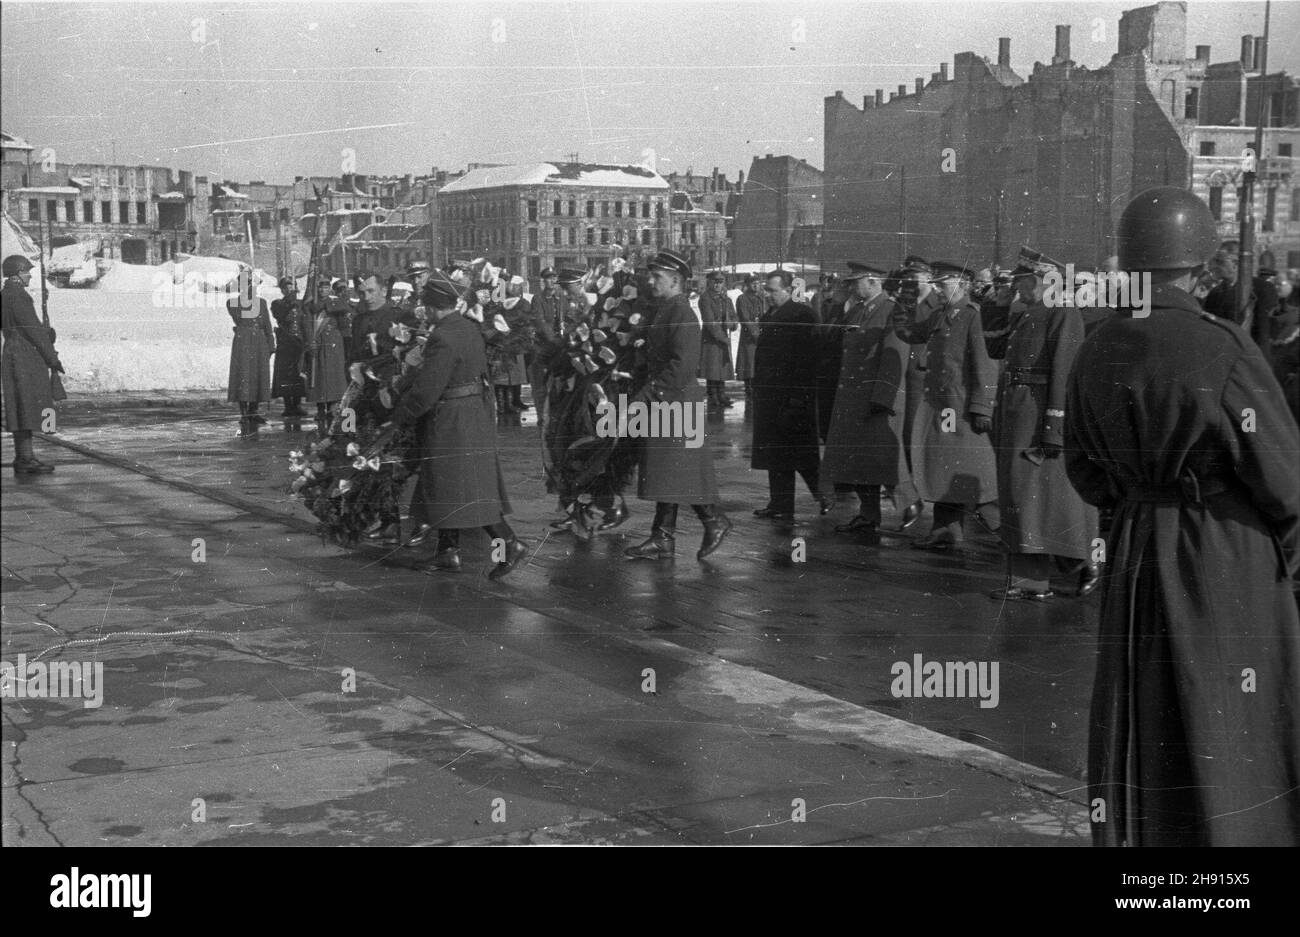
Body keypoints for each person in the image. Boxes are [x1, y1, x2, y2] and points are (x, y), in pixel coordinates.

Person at [1066, 186, 1299, 846]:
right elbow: (1285, 479)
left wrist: (1139, 503)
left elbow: (1083, 469)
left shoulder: (1097, 347)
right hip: (1224, 555)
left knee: (1142, 722)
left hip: (1137, 553)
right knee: (1232, 723)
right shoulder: (1224, 347)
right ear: (1199, 265)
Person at [390, 270, 527, 579]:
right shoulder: (466, 327)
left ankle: (509, 543)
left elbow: (428, 388)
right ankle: (447, 552)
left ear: (434, 305)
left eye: (426, 305)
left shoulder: (443, 336)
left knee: (463, 487)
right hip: (470, 414)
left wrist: (401, 414)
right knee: (447, 484)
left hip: (452, 419)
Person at [988, 255, 1097, 600]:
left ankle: (1070, 565)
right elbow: (993, 346)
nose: (1016, 288)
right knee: (1023, 500)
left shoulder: (1063, 312)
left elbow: (1064, 373)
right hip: (1019, 413)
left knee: (1037, 502)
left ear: (1041, 280)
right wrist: (998, 305)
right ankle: (1036, 577)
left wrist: (1054, 425)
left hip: (1037, 417)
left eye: (1021, 282)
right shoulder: (1026, 314)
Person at [624, 250, 731, 561]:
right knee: (668, 469)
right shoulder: (667, 309)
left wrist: (646, 395)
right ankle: (663, 536)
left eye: (656, 276)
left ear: (675, 280)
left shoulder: (681, 312)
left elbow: (683, 365)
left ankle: (714, 521)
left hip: (677, 402)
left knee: (681, 469)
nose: (650, 280)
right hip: (670, 402)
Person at [892, 262, 998, 550]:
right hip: (942, 406)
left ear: (961, 284)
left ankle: (1008, 532)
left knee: (976, 474)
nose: (937, 288)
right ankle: (945, 530)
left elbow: (983, 365)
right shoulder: (941, 314)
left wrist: (982, 407)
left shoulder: (973, 316)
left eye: (943, 284)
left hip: (962, 407)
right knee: (943, 467)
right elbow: (910, 333)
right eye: (936, 284)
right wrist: (902, 302)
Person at [819, 263, 915, 537]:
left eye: (855, 282)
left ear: (873, 281)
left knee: (882, 457)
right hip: (853, 395)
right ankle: (868, 513)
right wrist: (837, 305)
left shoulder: (892, 310)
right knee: (857, 459)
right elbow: (830, 337)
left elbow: (894, 356)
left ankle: (911, 502)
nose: (850, 286)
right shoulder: (859, 308)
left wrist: (882, 398)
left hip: (876, 396)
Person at [749, 269, 830, 522]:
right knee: (777, 454)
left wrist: (798, 397)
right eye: (767, 289)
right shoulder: (776, 313)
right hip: (772, 396)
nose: (768, 294)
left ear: (789, 289)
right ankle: (781, 503)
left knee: (801, 454)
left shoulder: (802, 314)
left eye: (773, 290)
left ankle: (827, 496)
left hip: (792, 396)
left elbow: (808, 361)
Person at [2, 254, 64, 474]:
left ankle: (24, 457)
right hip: (26, 355)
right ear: (18, 273)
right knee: (30, 405)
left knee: (19, 406)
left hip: (11, 352)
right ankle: (26, 458)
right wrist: (52, 358)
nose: (29, 275)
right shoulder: (19, 296)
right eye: (27, 271)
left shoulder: (5, 294)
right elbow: (33, 330)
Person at [226, 267, 274, 435]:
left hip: (259, 341)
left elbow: (267, 324)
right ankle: (244, 412)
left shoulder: (261, 303)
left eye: (249, 284)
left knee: (258, 376)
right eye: (243, 284)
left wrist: (271, 343)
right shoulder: (233, 303)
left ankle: (254, 411)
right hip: (244, 341)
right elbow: (239, 316)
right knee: (244, 375)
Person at [305, 277, 350, 431]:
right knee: (319, 376)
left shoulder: (335, 302)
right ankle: (320, 408)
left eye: (325, 287)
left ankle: (333, 406)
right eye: (320, 288)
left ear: (329, 289)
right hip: (318, 341)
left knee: (333, 376)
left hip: (333, 343)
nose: (322, 290)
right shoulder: (310, 305)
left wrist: (324, 304)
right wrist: (310, 340)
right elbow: (307, 323)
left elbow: (343, 309)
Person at [271, 276, 309, 420]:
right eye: (285, 287)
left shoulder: (301, 303)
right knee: (285, 375)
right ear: (281, 290)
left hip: (299, 342)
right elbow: (279, 314)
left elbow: (305, 320)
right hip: (285, 342)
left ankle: (297, 404)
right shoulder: (278, 303)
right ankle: (288, 406)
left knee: (297, 374)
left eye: (291, 286)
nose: (288, 289)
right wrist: (290, 302)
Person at [698, 270, 736, 409]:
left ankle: (721, 394)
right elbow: (709, 321)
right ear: (709, 282)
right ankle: (713, 395)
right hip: (711, 338)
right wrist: (721, 337)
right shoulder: (705, 298)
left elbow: (733, 317)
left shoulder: (726, 299)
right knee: (712, 367)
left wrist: (731, 324)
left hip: (723, 336)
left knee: (722, 366)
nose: (717, 285)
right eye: (715, 282)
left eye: (720, 282)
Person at [734, 273, 763, 404]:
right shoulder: (742, 299)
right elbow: (745, 319)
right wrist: (757, 334)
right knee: (749, 365)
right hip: (749, 338)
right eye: (753, 283)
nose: (756, 285)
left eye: (757, 282)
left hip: (759, 336)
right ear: (747, 285)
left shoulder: (760, 299)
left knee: (757, 365)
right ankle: (749, 392)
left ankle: (756, 391)